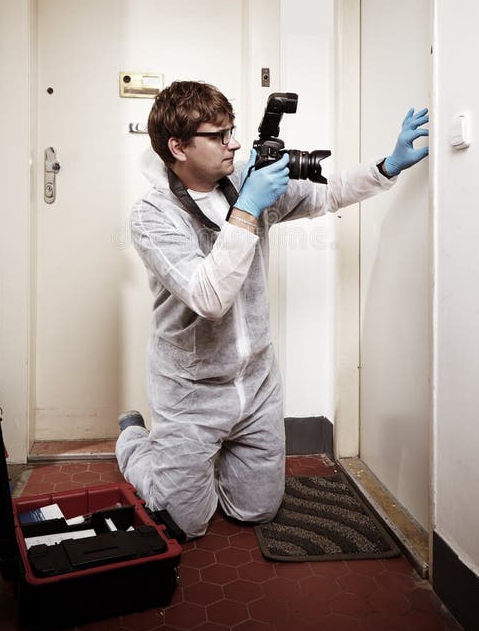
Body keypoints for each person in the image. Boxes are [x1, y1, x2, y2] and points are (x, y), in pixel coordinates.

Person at [116, 81, 429, 539]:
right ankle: (133, 441)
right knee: (185, 522)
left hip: (256, 383)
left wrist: (386, 167)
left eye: (233, 130)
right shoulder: (153, 215)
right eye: (219, 135)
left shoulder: (244, 180)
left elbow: (328, 193)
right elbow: (208, 297)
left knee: (256, 510)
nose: (235, 143)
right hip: (191, 391)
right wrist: (247, 209)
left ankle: (209, 458)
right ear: (177, 147)